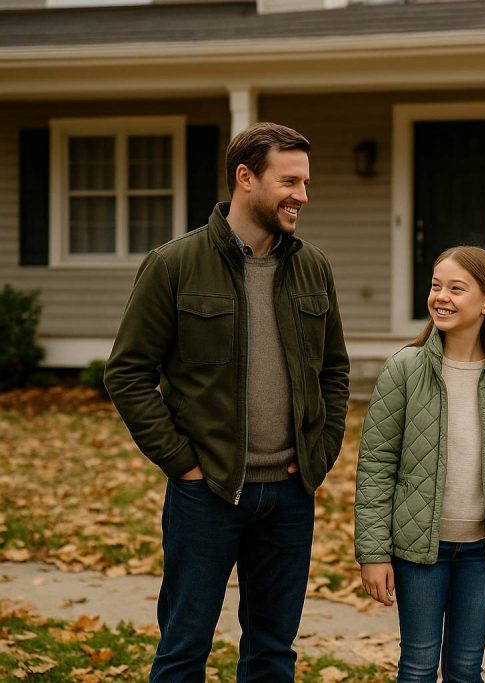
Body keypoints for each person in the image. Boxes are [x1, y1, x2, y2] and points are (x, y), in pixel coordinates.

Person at [104, 122, 350, 681]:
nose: (302, 196)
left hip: (289, 495)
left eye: (305, 183)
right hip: (207, 492)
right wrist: (182, 464)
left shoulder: (313, 267)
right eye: (289, 181)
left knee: (272, 652)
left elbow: (334, 372)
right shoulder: (174, 265)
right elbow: (128, 373)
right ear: (245, 177)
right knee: (184, 648)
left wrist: (320, 451)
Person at [355, 246, 485, 682]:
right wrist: (373, 553)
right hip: (418, 550)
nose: (441, 297)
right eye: (436, 286)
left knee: (466, 668)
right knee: (418, 665)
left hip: (482, 554)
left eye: (456, 288)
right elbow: (376, 465)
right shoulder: (405, 369)